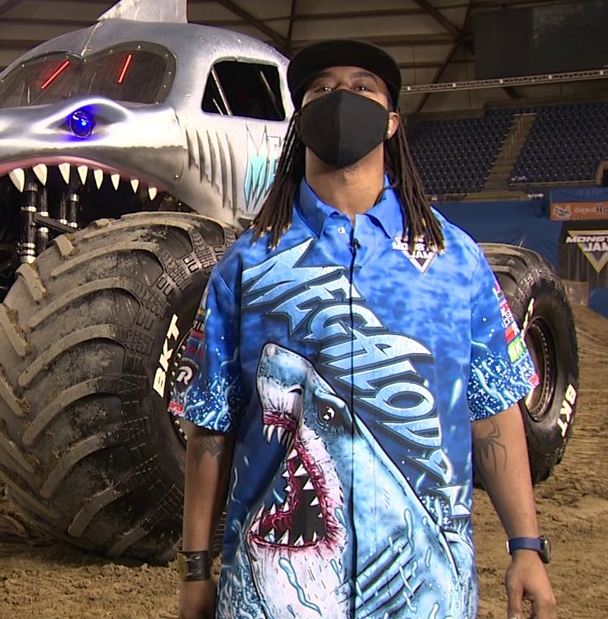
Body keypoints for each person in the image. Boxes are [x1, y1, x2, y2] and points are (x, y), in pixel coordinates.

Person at [169, 39, 557, 619]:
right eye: (321, 88)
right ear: (299, 120)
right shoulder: (247, 266)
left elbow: (493, 410)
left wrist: (526, 546)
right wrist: (196, 568)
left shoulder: (457, 262)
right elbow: (210, 429)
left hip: (429, 598)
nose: (341, 98)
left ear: (393, 121)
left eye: (362, 87)